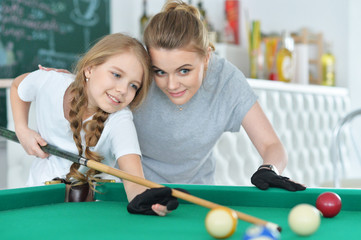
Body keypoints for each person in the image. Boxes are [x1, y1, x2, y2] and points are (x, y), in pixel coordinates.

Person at [133, 0, 305, 191]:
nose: (172, 85)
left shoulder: (226, 80)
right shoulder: (136, 73)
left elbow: (271, 144)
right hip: (136, 191)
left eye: (184, 71)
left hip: (197, 196)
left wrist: (270, 169)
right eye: (160, 72)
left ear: (206, 58)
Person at [10, 33, 181, 216]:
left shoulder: (120, 120)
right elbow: (18, 86)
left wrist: (147, 201)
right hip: (39, 203)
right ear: (89, 69)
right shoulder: (51, 82)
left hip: (94, 214)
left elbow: (134, 182)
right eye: (116, 74)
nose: (123, 90)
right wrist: (21, 129)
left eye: (133, 86)